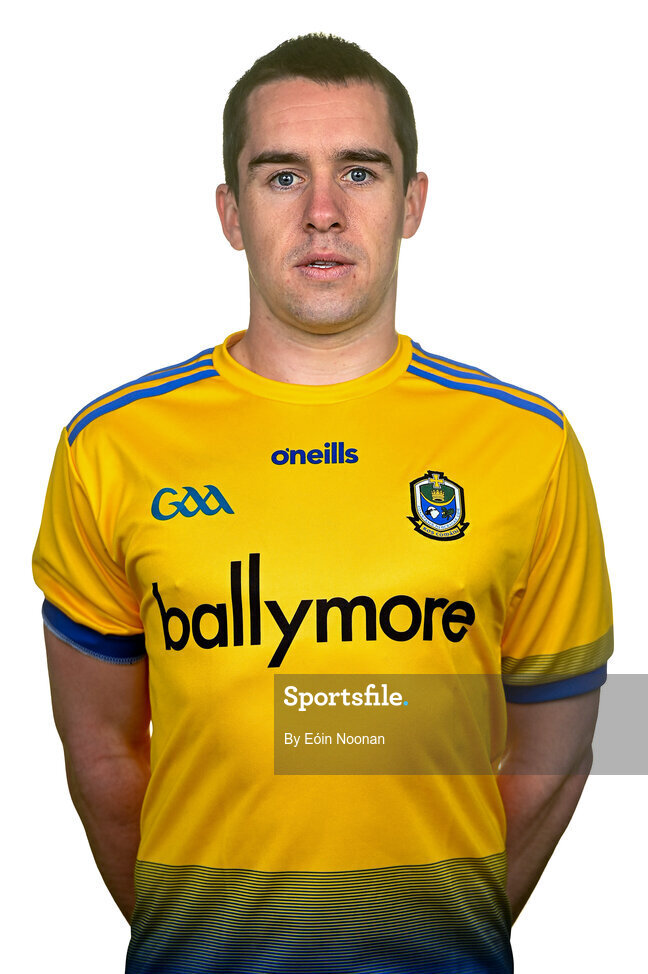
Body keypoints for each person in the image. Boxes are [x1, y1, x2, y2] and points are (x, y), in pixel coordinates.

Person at [33, 33, 613, 974]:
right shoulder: (108, 446)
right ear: (228, 212)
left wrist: (431, 934)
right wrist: (204, 936)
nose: (325, 213)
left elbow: (564, 745)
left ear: (413, 201)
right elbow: (98, 750)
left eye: (360, 170)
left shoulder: (528, 446)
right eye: (280, 176)